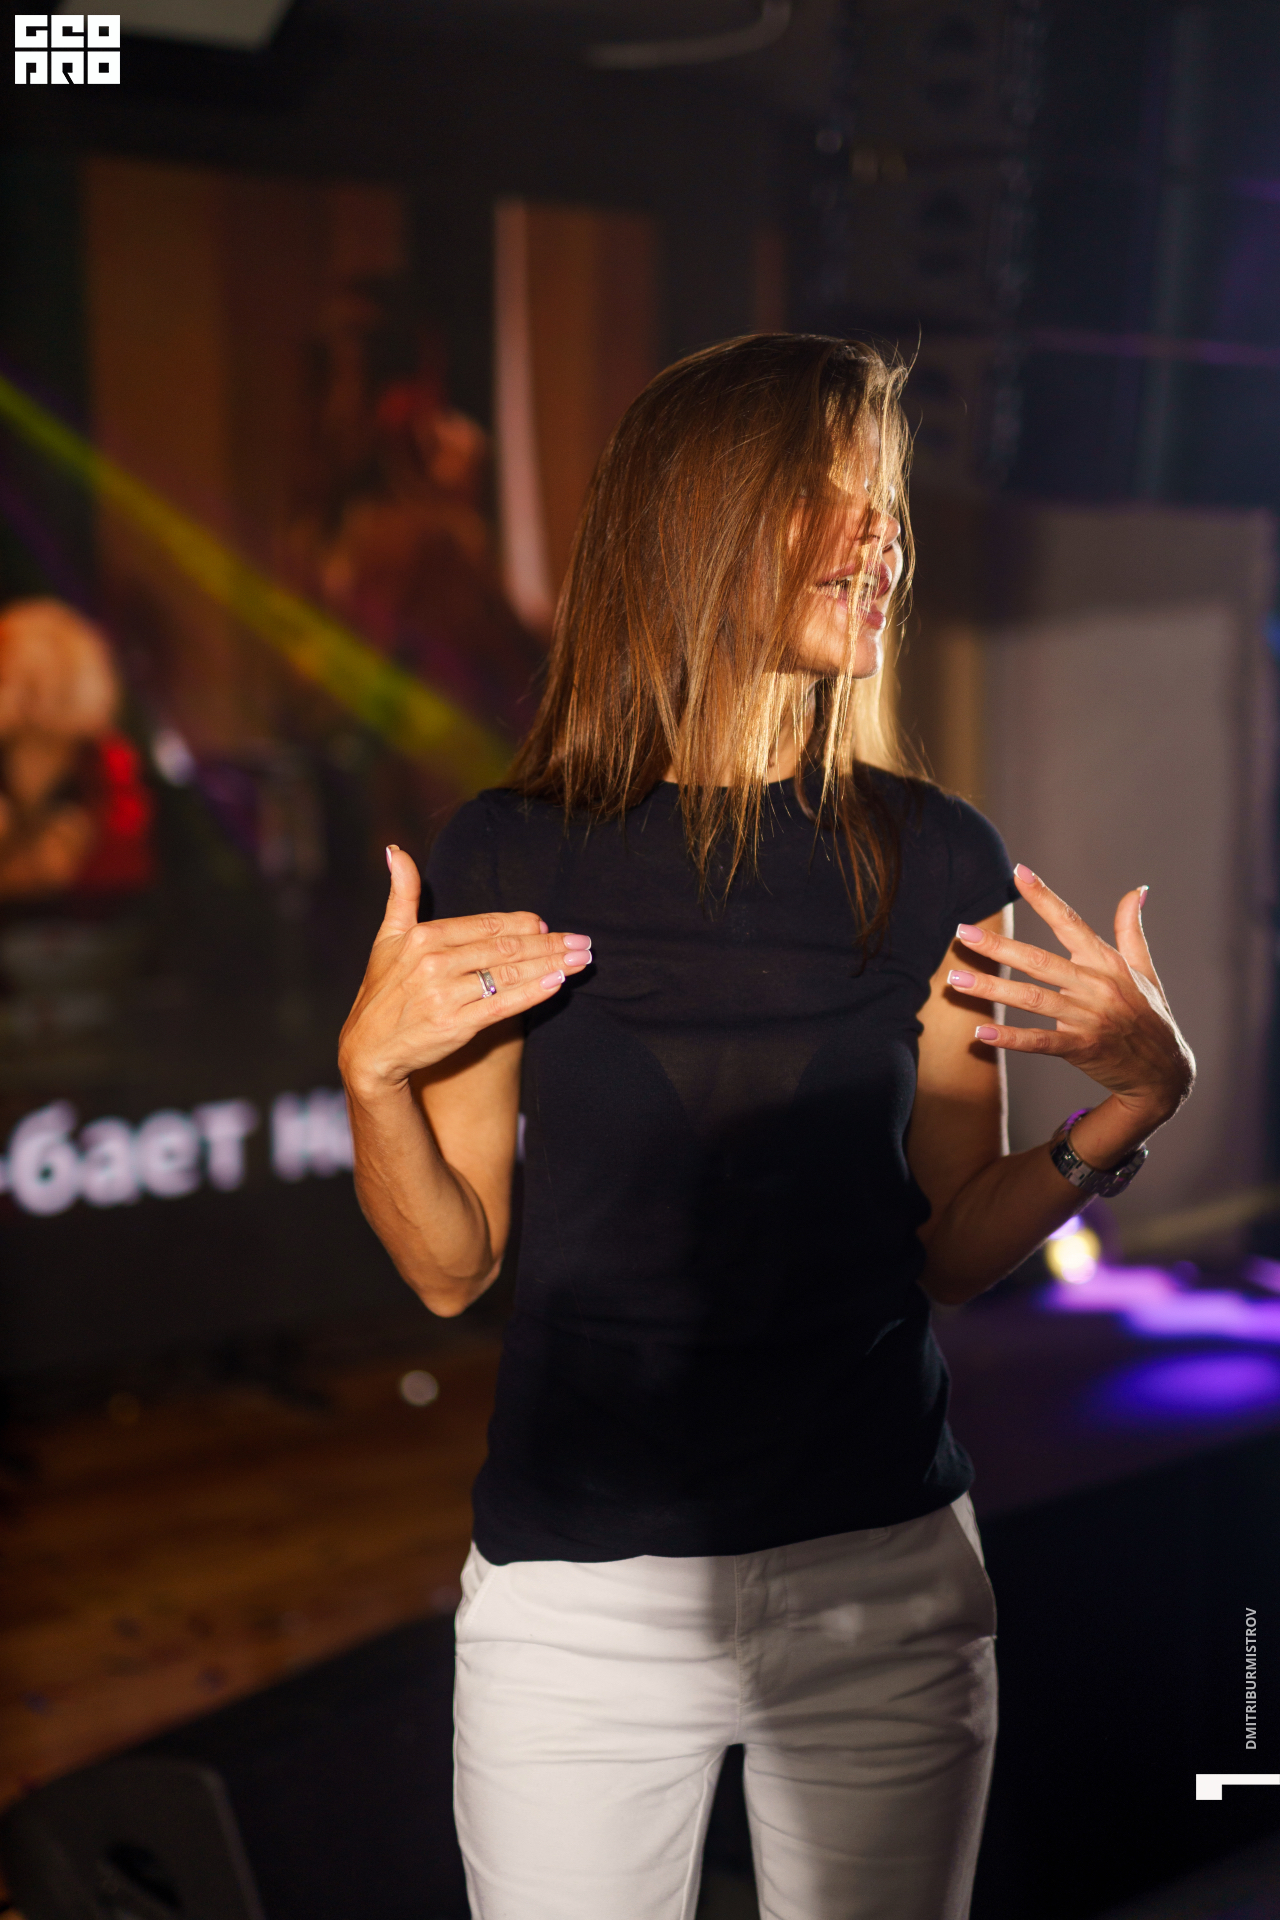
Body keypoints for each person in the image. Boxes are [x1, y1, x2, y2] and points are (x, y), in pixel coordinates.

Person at [338, 334, 1193, 1920]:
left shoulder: (936, 856)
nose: (884, 537)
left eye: (889, 501)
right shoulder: (511, 850)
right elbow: (451, 1266)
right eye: (832, 496)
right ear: (699, 518)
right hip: (578, 1613)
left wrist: (1130, 1106)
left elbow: (952, 1251)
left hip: (885, 1589)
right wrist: (372, 1077)